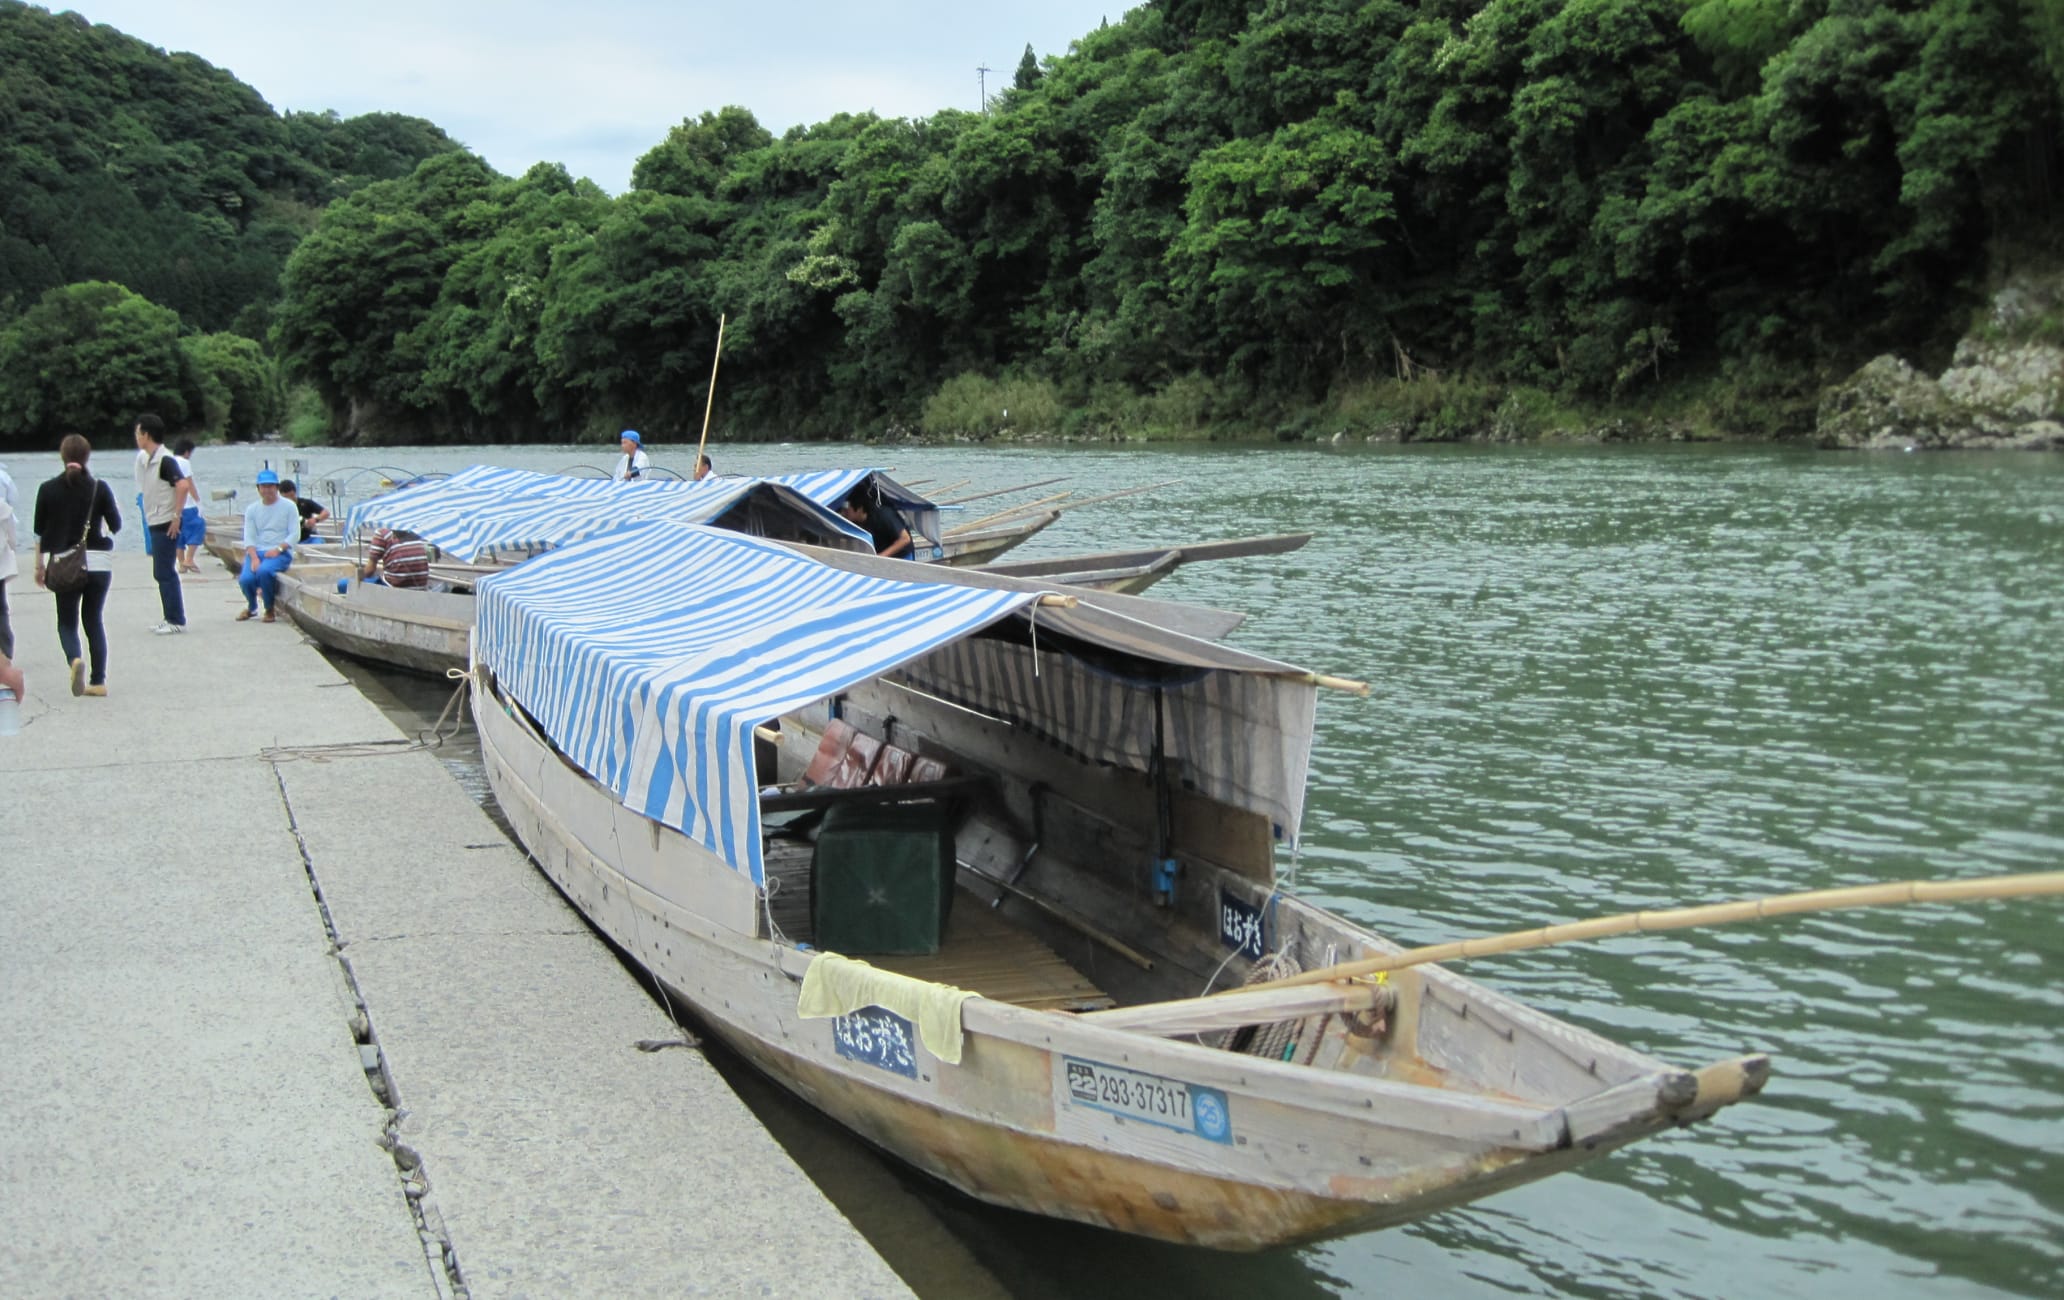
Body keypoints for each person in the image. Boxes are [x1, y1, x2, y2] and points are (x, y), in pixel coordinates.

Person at [32, 435, 121, 697]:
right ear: (87, 456)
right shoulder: (100, 488)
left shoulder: (47, 489)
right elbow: (116, 525)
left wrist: (39, 566)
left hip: (65, 563)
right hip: (98, 563)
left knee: (67, 622)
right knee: (93, 620)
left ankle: (74, 660)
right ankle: (98, 681)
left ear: (62, 456)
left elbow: (38, 534)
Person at [132, 413, 192, 633]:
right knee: (161, 571)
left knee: (164, 571)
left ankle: (176, 620)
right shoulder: (148, 458)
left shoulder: (165, 460)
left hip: (166, 520)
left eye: (138, 433)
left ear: (146, 435)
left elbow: (183, 486)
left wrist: (176, 516)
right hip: (155, 519)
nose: (136, 437)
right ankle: (170, 616)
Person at [236, 469, 298, 623]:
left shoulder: (289, 506)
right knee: (246, 579)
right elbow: (249, 536)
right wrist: (254, 557)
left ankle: (269, 608)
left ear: (276, 488)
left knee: (264, 571)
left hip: (280, 552)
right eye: (264, 487)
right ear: (258, 489)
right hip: (258, 551)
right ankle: (251, 607)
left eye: (271, 486)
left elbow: (295, 534)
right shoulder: (252, 509)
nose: (267, 490)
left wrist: (279, 549)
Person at [838, 489, 912, 558]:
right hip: (881, 554)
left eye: (846, 507)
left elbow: (905, 539)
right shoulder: (853, 523)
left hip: (902, 556)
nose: (843, 512)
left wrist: (880, 557)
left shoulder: (884, 515)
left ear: (859, 507)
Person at [171, 437, 206, 573]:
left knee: (178, 533)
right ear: (187, 452)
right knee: (198, 527)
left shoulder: (168, 461)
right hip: (187, 504)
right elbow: (189, 483)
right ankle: (189, 558)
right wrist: (198, 502)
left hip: (173, 504)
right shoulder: (184, 462)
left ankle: (181, 562)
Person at [359, 526, 430, 588]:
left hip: (394, 587)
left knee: (349, 583)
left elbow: (370, 570)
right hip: (421, 585)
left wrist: (359, 577)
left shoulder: (382, 533)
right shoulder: (413, 531)